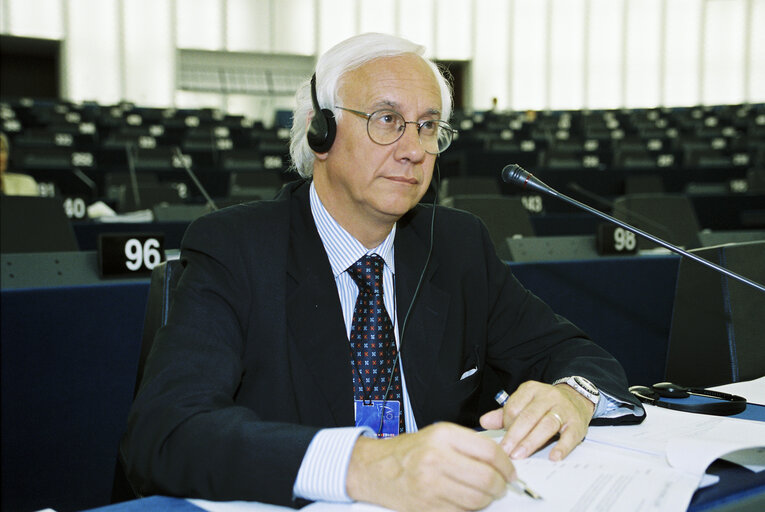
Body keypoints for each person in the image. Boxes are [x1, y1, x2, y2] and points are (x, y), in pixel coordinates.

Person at [121, 33, 644, 511]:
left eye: (429, 126)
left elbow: (578, 355)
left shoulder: (458, 244)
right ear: (320, 131)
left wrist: (572, 394)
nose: (415, 150)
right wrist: (363, 465)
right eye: (387, 120)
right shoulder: (236, 246)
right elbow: (165, 432)